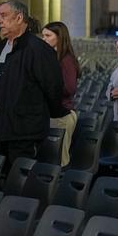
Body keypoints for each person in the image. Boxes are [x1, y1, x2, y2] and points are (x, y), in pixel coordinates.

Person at [0, 0, 65, 163]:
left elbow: (53, 88)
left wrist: (34, 115)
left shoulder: (38, 49)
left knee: (21, 182)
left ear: (19, 18)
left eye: (3, 16)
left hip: (24, 132)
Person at [40, 21, 81, 166]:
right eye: (43, 35)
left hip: (62, 114)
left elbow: (69, 88)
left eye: (48, 36)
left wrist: (46, 85)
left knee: (59, 158)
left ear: (59, 37)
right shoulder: (52, 57)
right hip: (51, 112)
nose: (44, 39)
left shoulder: (66, 59)